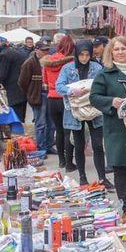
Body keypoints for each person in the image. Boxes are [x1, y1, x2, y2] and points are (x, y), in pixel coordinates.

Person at [90, 36, 126, 222]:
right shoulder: (104, 74)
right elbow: (94, 97)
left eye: (123, 49)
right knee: (119, 167)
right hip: (115, 127)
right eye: (116, 49)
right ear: (111, 52)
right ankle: (125, 206)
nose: (120, 52)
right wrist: (111, 102)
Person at [57, 39, 114, 190]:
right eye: (81, 55)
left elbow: (105, 84)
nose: (84, 58)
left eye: (87, 54)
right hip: (75, 112)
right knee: (79, 144)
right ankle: (82, 178)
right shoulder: (67, 68)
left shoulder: (97, 67)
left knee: (97, 145)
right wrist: (72, 91)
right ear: (76, 53)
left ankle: (102, 178)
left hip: (94, 110)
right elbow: (59, 86)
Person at [42, 34, 76, 171]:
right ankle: (69, 163)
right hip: (65, 99)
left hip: (51, 99)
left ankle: (61, 161)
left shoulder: (48, 61)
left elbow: (44, 81)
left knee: (59, 131)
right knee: (68, 131)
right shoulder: (69, 62)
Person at [18, 41, 55, 154]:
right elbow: (22, 82)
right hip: (39, 96)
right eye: (43, 50)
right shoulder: (29, 63)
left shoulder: (49, 61)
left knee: (51, 123)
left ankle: (48, 146)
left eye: (47, 50)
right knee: (41, 124)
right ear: (37, 50)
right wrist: (31, 94)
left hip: (49, 94)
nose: (46, 52)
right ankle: (41, 149)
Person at [0, 42, 28, 122]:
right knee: (21, 114)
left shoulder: (4, 55)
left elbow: (2, 75)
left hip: (13, 90)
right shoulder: (14, 52)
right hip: (22, 87)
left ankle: (16, 133)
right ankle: (20, 131)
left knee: (15, 115)